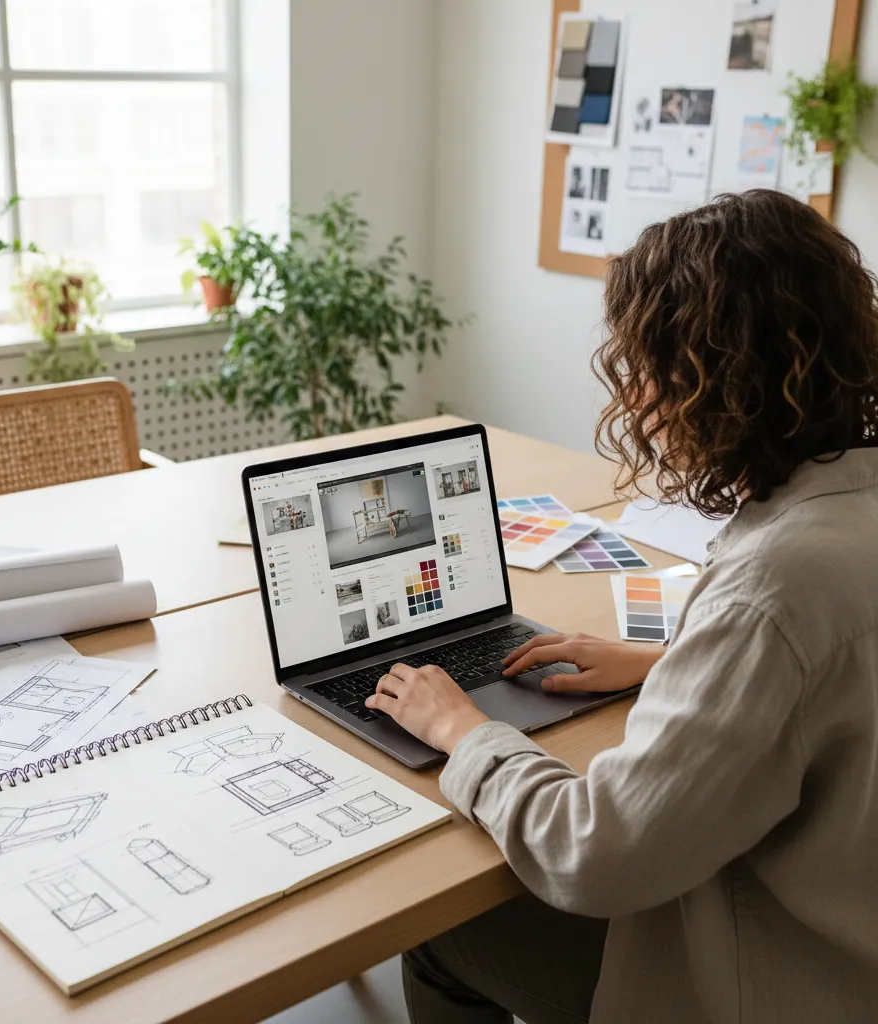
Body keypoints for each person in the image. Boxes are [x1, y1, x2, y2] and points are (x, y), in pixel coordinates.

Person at [366, 189, 878, 1024]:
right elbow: (831, 683)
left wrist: (461, 731)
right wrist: (672, 661)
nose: (635, 394)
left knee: (440, 934)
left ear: (713, 378)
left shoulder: (774, 590)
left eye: (647, 364)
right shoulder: (852, 509)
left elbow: (596, 855)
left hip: (765, 982)